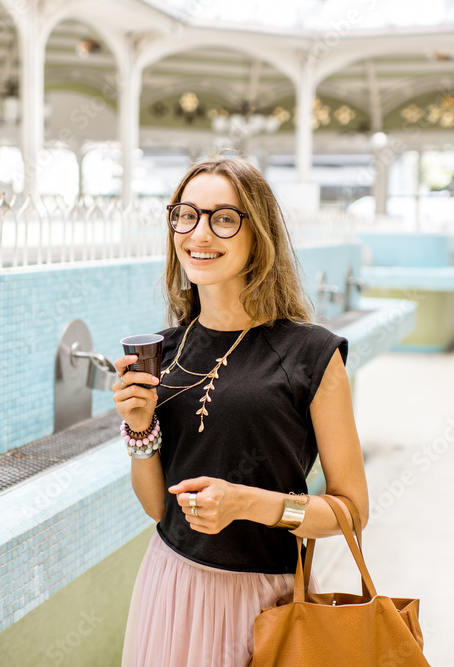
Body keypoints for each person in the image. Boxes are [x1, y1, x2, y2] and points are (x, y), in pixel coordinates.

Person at [112, 154, 369, 666]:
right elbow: (158, 508)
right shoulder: (163, 351)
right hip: (170, 584)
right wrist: (141, 429)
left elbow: (351, 513)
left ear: (260, 234)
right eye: (186, 215)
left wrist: (248, 503)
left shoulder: (311, 355)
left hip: (264, 602)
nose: (198, 234)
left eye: (223, 218)